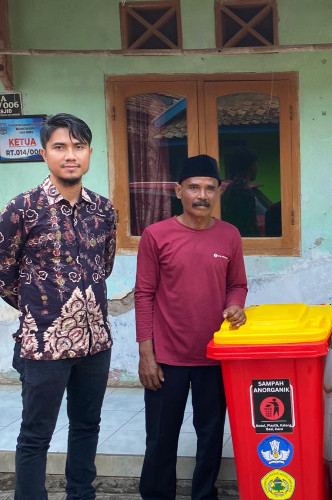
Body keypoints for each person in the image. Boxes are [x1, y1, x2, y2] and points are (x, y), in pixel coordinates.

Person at [0, 113, 116, 499]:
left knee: (87, 425)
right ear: (43, 153)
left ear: (90, 153)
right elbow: (3, 273)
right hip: (43, 345)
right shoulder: (21, 208)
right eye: (60, 147)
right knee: (36, 434)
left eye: (78, 146)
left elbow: (106, 264)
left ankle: (81, 494)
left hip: (94, 342)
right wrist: (43, 306)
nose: (71, 155)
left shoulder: (104, 210)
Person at [135, 154, 248, 500]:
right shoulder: (156, 236)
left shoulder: (229, 235)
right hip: (167, 360)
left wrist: (235, 306)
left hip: (213, 359)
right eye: (194, 187)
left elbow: (238, 284)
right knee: (160, 438)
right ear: (177, 190)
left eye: (210, 188)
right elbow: (143, 295)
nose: (202, 195)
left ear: (218, 192)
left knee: (210, 437)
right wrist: (146, 356)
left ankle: (204, 495)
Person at [220, 146, 260, 237]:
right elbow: (248, 225)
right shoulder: (242, 191)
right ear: (251, 166)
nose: (257, 168)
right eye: (256, 164)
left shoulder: (231, 188)